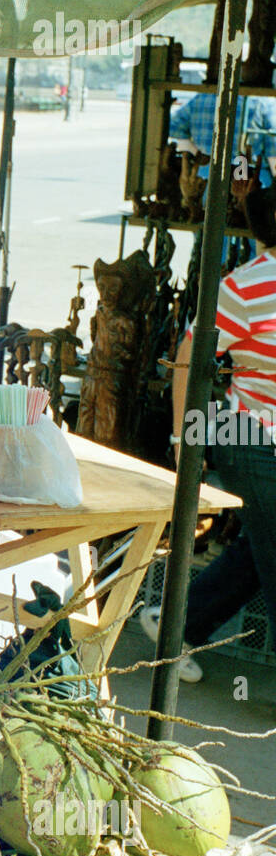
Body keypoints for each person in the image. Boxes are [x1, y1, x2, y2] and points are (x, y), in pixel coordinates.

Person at [144, 183, 276, 681]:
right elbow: (188, 356)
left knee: (259, 546)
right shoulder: (243, 288)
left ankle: (176, 627)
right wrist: (183, 440)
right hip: (250, 436)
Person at [169, 90, 276, 188]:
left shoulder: (202, 97)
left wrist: (197, 153)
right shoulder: (264, 101)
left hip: (207, 176)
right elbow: (273, 152)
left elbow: (173, 127)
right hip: (248, 177)